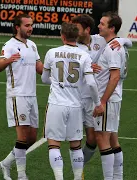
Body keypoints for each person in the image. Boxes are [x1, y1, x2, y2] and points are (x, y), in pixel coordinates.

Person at [41, 22, 104, 180]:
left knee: (54, 144)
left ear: (62, 36)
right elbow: (90, 83)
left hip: (56, 104)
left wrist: (57, 82)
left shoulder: (51, 52)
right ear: (76, 37)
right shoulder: (84, 56)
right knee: (76, 146)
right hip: (76, 105)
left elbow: (43, 79)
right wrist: (98, 104)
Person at [71, 14, 132, 168]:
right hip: (79, 97)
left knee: (96, 139)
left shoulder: (100, 40)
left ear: (86, 30)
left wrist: (122, 40)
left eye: (77, 29)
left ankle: (80, 167)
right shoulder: (74, 47)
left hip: (98, 98)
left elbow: (129, 42)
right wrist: (87, 67)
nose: (74, 33)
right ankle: (78, 172)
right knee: (80, 137)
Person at [0, 14, 43, 180]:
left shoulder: (32, 45)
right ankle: (22, 176)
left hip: (32, 96)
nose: (30, 28)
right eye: (27, 25)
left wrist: (57, 73)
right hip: (17, 96)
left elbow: (39, 67)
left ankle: (5, 164)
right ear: (17, 27)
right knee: (22, 137)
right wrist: (8, 60)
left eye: (31, 25)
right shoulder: (9, 45)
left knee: (31, 138)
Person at [92, 12, 129, 180]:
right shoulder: (116, 45)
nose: (99, 26)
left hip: (109, 98)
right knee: (113, 138)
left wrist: (102, 102)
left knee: (102, 138)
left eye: (102, 24)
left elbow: (114, 76)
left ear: (112, 28)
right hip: (115, 97)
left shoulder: (113, 49)